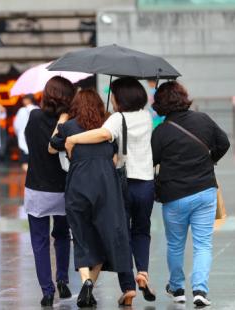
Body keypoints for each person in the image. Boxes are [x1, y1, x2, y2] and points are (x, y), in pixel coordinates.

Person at [65, 77, 156, 307]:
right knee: (142, 231)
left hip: (123, 183)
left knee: (120, 235)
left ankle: (128, 287)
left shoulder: (117, 118)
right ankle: (142, 271)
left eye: (114, 95)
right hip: (145, 183)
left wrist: (73, 138)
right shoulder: (146, 116)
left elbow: (103, 135)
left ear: (120, 98)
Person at [49, 89, 131, 308]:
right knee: (104, 238)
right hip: (105, 186)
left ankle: (85, 282)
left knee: (81, 236)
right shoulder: (106, 128)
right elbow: (116, 156)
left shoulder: (68, 127)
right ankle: (88, 286)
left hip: (77, 185)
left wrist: (62, 120)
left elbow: (51, 146)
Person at [151, 81, 230, 307]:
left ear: (161, 105)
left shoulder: (161, 132)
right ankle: (200, 291)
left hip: (174, 196)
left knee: (175, 245)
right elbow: (223, 142)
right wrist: (210, 159)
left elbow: (151, 161)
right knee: (203, 244)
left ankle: (177, 288)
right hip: (205, 191)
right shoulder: (203, 119)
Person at [24, 76, 75, 307]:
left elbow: (29, 144)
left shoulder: (34, 117)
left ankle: (47, 290)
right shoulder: (71, 123)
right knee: (63, 236)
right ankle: (63, 278)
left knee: (39, 241)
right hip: (65, 188)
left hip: (37, 188)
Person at [13, 94, 38, 171]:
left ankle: (28, 175)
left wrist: (18, 134)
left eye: (24, 99)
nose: (23, 101)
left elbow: (16, 125)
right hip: (35, 137)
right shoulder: (38, 109)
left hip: (23, 137)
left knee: (25, 160)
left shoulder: (22, 110)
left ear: (29, 100)